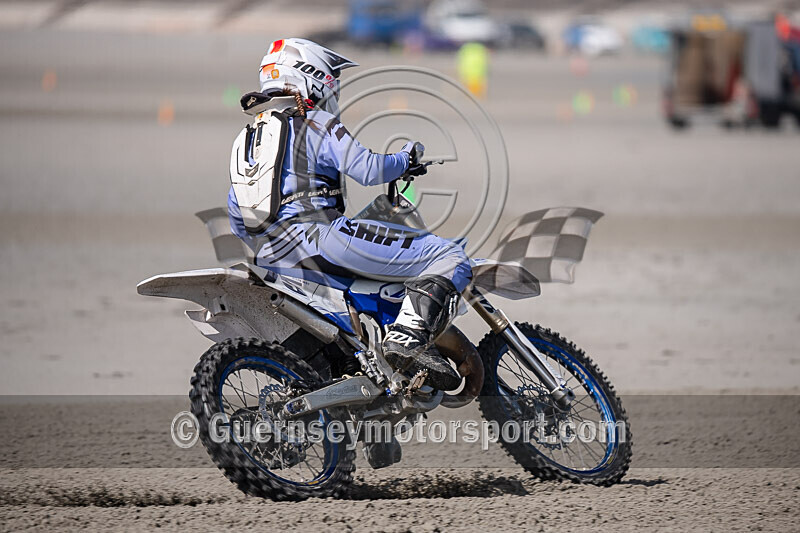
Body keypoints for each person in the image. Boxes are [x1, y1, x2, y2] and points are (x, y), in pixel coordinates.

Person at [227, 38, 470, 390]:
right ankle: (405, 341)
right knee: (450, 256)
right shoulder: (314, 121)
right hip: (321, 238)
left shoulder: (247, 139)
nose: (333, 90)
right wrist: (405, 159)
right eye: (330, 82)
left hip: (273, 257)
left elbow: (238, 215)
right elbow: (368, 169)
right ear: (311, 78)